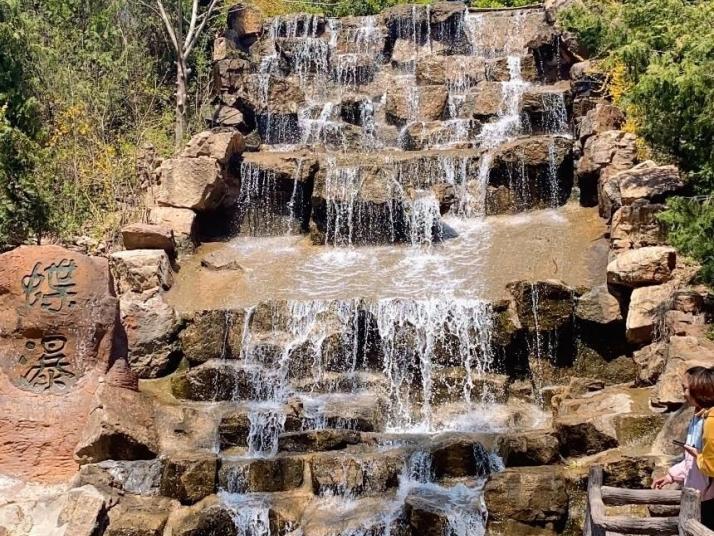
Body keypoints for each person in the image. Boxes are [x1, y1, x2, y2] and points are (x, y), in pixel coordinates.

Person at [661, 366, 714, 528]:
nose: (683, 393)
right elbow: (691, 459)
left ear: (699, 389)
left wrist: (697, 455)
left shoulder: (710, 421)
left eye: (685, 388)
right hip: (698, 493)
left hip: (708, 495)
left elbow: (709, 465)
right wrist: (672, 475)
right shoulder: (698, 417)